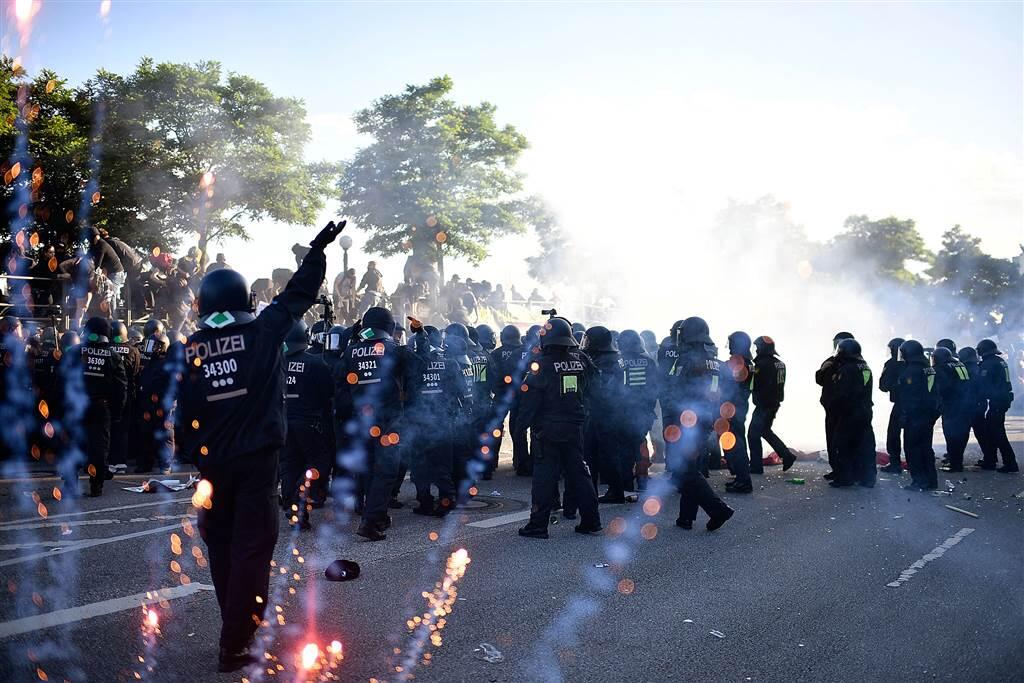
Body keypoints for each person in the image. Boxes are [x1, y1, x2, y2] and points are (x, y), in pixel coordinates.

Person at [174, 220, 345, 672]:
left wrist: (193, 455)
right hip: (256, 466)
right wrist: (317, 250)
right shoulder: (262, 331)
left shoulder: (192, 347)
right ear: (244, 301)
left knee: (223, 549)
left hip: (212, 469)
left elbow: (183, 412)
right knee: (251, 550)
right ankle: (236, 643)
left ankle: (235, 629)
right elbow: (299, 294)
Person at [334, 306, 417, 541]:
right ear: (389, 327)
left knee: (369, 468)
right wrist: (420, 337)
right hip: (388, 420)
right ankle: (371, 522)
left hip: (361, 419)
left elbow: (338, 379)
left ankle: (373, 514)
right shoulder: (394, 350)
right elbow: (419, 367)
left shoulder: (350, 352)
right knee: (386, 471)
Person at [517, 317, 602, 539]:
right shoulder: (581, 359)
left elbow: (529, 404)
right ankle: (592, 521)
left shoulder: (540, 365)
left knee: (544, 478)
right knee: (580, 474)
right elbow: (595, 387)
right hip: (574, 427)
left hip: (547, 431)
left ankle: (538, 525)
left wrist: (520, 431)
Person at [666, 317, 734, 531]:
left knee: (684, 471)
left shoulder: (687, 360)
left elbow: (674, 389)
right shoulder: (715, 361)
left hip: (687, 421)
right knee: (690, 469)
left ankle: (718, 510)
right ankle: (686, 518)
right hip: (706, 419)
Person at [59, 316, 128, 497]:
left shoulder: (74, 352)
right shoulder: (113, 356)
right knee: (99, 447)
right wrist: (116, 412)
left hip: (75, 406)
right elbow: (121, 387)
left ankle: (70, 484)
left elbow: (61, 381)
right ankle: (96, 486)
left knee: (73, 444)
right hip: (101, 408)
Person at [281, 320, 335, 530]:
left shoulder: (277, 362)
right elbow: (328, 393)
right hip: (309, 423)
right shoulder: (315, 363)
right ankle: (297, 502)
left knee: (289, 465)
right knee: (319, 463)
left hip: (284, 421)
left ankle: (290, 505)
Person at [405, 322, 463, 516]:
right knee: (442, 464)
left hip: (418, 421)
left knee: (419, 464)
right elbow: (460, 391)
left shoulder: (414, 362)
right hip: (444, 421)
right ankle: (447, 500)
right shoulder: (450, 362)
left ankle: (424, 501)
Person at [581, 325, 629, 502]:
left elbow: (600, 390)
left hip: (604, 413)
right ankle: (607, 491)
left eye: (588, 340)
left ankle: (614, 492)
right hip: (610, 412)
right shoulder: (612, 358)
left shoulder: (605, 362)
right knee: (600, 453)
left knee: (600, 454)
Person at [825, 339, 875, 487]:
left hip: (850, 412)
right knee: (864, 445)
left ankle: (845, 478)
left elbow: (842, 393)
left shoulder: (846, 369)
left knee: (841, 444)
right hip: (865, 411)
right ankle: (867, 478)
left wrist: (833, 406)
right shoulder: (865, 367)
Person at [747, 335, 796, 476]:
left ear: (762, 348)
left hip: (764, 404)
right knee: (765, 431)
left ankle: (756, 467)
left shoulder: (762, 365)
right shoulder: (779, 363)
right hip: (774, 402)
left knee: (753, 434)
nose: (755, 351)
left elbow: (756, 383)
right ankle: (787, 456)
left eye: (757, 347)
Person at [896, 339, 940, 491]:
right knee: (926, 448)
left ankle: (919, 481)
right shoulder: (928, 368)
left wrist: (904, 415)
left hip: (916, 416)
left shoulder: (911, 371)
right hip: (928, 414)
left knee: (913, 448)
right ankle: (931, 480)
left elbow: (909, 396)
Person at [617, 329, 658, 491]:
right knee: (641, 444)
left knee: (624, 449)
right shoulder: (648, 361)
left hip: (624, 413)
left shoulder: (619, 362)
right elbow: (655, 387)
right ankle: (642, 479)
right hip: (644, 411)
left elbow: (614, 388)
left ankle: (627, 483)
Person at [815, 331, 854, 480]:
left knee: (840, 441)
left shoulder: (848, 364)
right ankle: (837, 469)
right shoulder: (832, 361)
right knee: (832, 439)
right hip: (832, 405)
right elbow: (819, 378)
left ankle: (844, 471)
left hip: (842, 407)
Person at [134, 331, 174, 474]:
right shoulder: (149, 363)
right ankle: (145, 464)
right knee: (145, 434)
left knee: (165, 435)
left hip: (163, 404)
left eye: (154, 345)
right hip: (147, 403)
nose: (150, 348)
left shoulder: (168, 364)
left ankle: (165, 465)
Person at [976, 339, 1018, 472]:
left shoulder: (989, 364)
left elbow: (983, 384)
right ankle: (990, 460)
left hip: (998, 400)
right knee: (990, 429)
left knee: (997, 432)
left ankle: (1010, 463)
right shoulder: (999, 361)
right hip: (1002, 398)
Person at [721, 331, 754, 493]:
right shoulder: (749, 361)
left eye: (732, 343)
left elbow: (726, 380)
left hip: (732, 406)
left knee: (736, 444)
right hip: (740, 405)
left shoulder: (737, 361)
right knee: (739, 440)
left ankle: (743, 481)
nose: (729, 348)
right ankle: (741, 477)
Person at [108, 320, 141, 476]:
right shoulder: (133, 351)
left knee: (108, 428)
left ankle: (110, 461)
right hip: (127, 395)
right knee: (123, 429)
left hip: (108, 395)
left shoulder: (106, 350)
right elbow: (135, 373)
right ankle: (121, 462)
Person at [490, 324, 525, 472]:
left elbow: (491, 375)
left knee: (495, 428)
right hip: (519, 395)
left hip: (501, 395)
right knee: (518, 429)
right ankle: (521, 463)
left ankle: (490, 463)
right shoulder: (524, 352)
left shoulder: (496, 354)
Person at [932, 346, 971, 473]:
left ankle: (955, 464)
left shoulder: (942, 368)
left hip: (952, 406)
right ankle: (957, 461)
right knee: (962, 434)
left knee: (951, 435)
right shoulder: (959, 364)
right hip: (965, 404)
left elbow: (943, 388)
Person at [878, 338, 906, 474]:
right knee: (914, 435)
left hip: (901, 404)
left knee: (893, 434)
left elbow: (883, 385)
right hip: (918, 404)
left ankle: (895, 463)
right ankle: (916, 462)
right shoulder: (918, 362)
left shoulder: (891, 364)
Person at [957, 346, 989, 461]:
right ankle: (990, 458)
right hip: (979, 403)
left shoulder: (968, 369)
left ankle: (956, 458)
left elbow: (966, 388)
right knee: (981, 432)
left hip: (970, 404)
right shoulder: (978, 367)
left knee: (963, 433)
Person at [86, 227, 125, 316]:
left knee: (111, 295)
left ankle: (114, 319)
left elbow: (98, 265)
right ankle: (105, 317)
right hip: (108, 272)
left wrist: (95, 277)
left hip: (116, 273)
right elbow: (88, 257)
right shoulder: (94, 246)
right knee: (104, 294)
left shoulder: (102, 245)